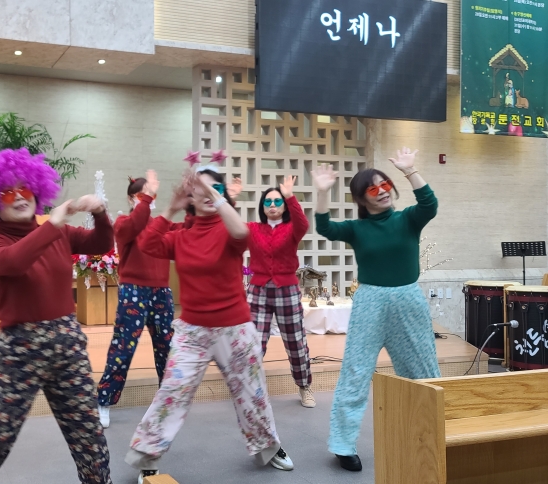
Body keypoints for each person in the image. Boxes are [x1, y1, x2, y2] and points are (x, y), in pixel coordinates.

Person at [0, 147, 113, 484]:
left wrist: (100, 213)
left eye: (24, 188)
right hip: (19, 353)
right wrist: (53, 223)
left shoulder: (61, 234)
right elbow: (14, 262)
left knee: (88, 435)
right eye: (6, 192)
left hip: (68, 348)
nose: (19, 197)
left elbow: (101, 244)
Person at [126, 166, 294, 483]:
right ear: (190, 198)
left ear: (222, 194)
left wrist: (215, 196)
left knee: (252, 394)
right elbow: (147, 244)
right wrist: (171, 207)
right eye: (198, 189)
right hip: (192, 332)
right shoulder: (181, 236)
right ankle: (147, 455)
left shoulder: (229, 228)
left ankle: (268, 446)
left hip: (235, 329)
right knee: (171, 392)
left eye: (214, 188)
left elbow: (242, 234)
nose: (206, 193)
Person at [311, 147, 441, 472]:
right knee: (355, 371)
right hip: (370, 301)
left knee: (424, 371)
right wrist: (322, 192)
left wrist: (410, 171)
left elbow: (430, 204)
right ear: (361, 198)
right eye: (373, 189)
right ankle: (343, 445)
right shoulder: (357, 229)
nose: (382, 191)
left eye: (385, 185)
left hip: (408, 300)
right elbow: (325, 228)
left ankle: (431, 433)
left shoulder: (407, 219)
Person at [97, 170, 179, 429]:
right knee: (123, 348)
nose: (147, 199)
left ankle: (167, 403)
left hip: (161, 292)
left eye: (150, 195)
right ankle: (104, 400)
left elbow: (186, 230)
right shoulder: (124, 222)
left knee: (166, 348)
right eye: (141, 196)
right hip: (133, 292)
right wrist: (146, 199)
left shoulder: (161, 225)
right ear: (131, 198)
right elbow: (134, 225)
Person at [246, 175, 314, 408]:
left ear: (284, 206)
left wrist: (290, 196)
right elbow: (231, 228)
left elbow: (303, 224)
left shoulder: (292, 228)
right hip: (258, 291)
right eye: (268, 201)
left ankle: (304, 386)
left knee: (295, 341)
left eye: (277, 201)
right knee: (254, 343)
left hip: (287, 290)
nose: (272, 205)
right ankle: (251, 390)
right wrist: (229, 200)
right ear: (262, 206)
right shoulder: (253, 229)